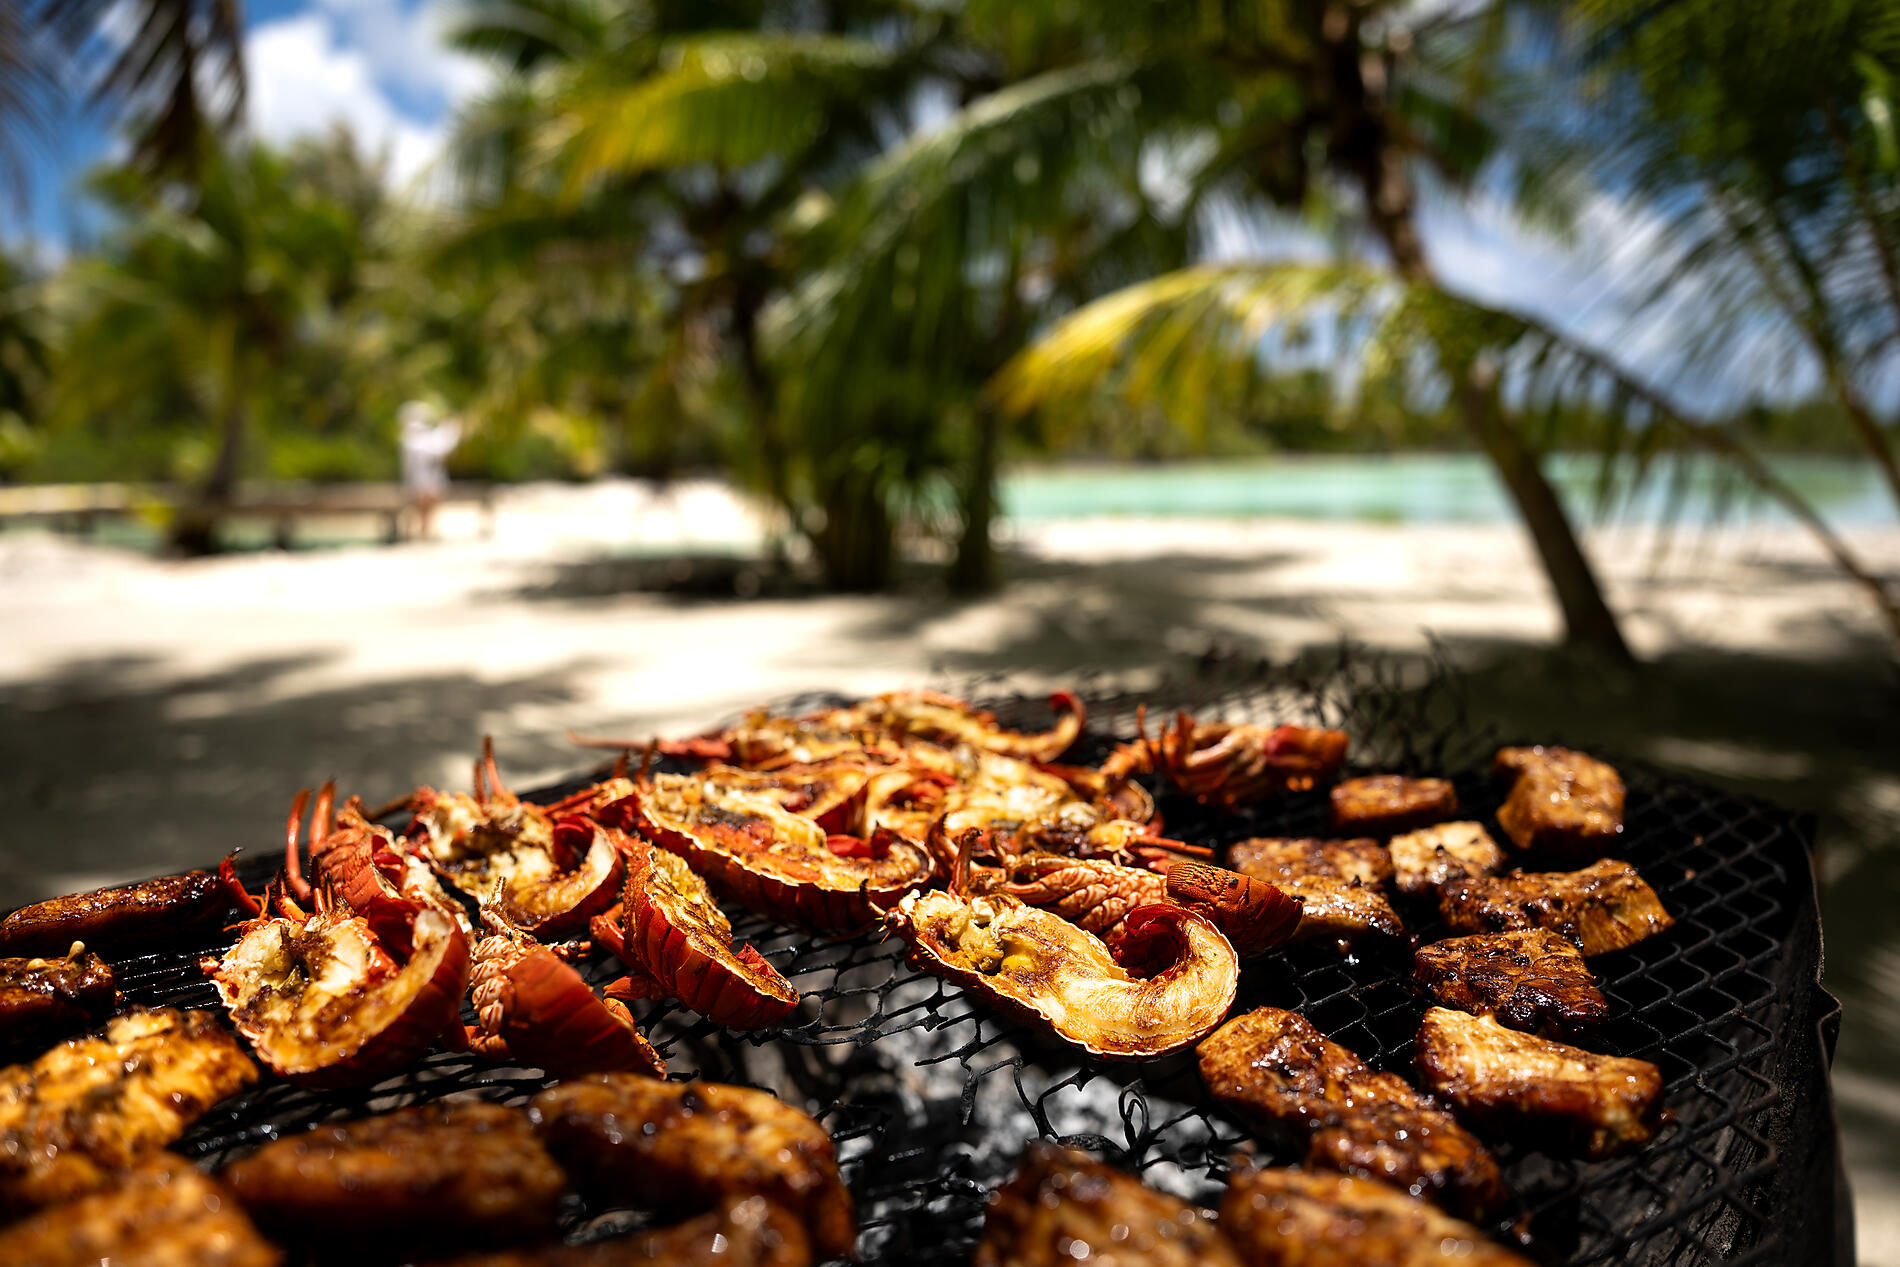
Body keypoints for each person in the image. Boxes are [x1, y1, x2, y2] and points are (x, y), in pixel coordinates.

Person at [398, 401, 461, 541]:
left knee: (427, 507)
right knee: (418, 507)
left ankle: (424, 533)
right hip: (420, 480)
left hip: (427, 480)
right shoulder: (412, 438)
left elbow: (438, 448)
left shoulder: (421, 437)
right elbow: (436, 449)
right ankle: (419, 534)